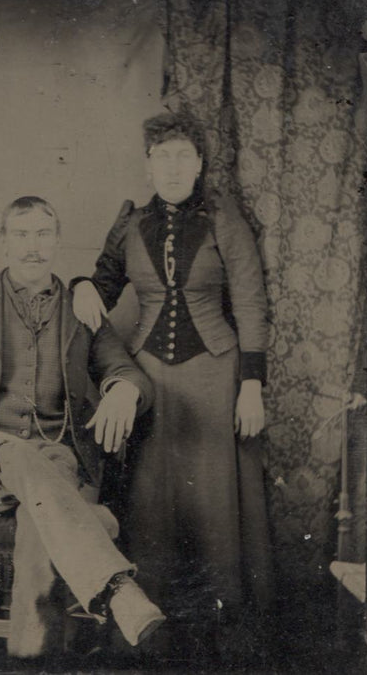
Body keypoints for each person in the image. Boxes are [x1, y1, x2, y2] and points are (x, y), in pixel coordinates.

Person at [0, 195, 166, 659]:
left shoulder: (83, 309)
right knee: (37, 472)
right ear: (3, 242)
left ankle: (29, 657)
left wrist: (122, 391)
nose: (31, 247)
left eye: (42, 234)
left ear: (57, 240)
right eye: (20, 234)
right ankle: (117, 588)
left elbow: (130, 372)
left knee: (45, 489)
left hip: (55, 457)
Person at [72, 113, 274, 655]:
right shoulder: (129, 221)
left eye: (184, 155)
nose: (173, 166)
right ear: (148, 164)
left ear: (201, 163)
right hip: (149, 379)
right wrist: (79, 285)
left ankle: (222, 626)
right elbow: (103, 282)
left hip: (216, 374)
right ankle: (149, 624)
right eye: (162, 156)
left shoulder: (223, 218)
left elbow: (252, 303)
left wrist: (251, 385)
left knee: (212, 503)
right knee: (150, 503)